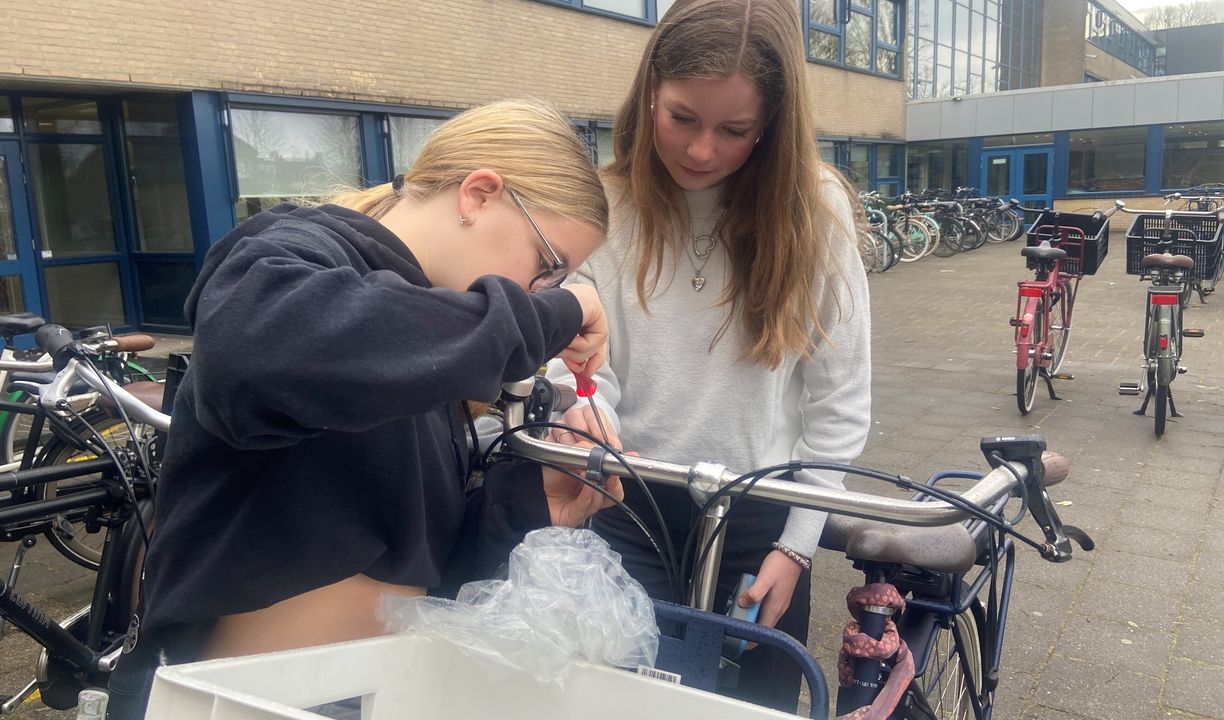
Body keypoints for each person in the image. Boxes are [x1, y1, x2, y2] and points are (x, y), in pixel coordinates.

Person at [107, 99, 622, 718]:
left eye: (555, 284)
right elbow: (258, 352)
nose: (540, 292)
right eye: (547, 268)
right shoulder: (296, 250)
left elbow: (412, 567)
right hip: (249, 700)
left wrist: (529, 501)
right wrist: (558, 312)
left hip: (377, 695)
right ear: (479, 195)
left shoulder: (426, 335)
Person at [549, 0, 871, 712]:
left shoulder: (814, 210)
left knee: (752, 705)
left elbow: (840, 400)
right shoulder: (606, 204)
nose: (700, 151)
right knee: (620, 701)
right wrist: (583, 416)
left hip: (764, 515)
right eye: (681, 117)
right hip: (628, 501)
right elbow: (584, 364)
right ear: (649, 93)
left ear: (772, 125)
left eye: (734, 130)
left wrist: (798, 546)